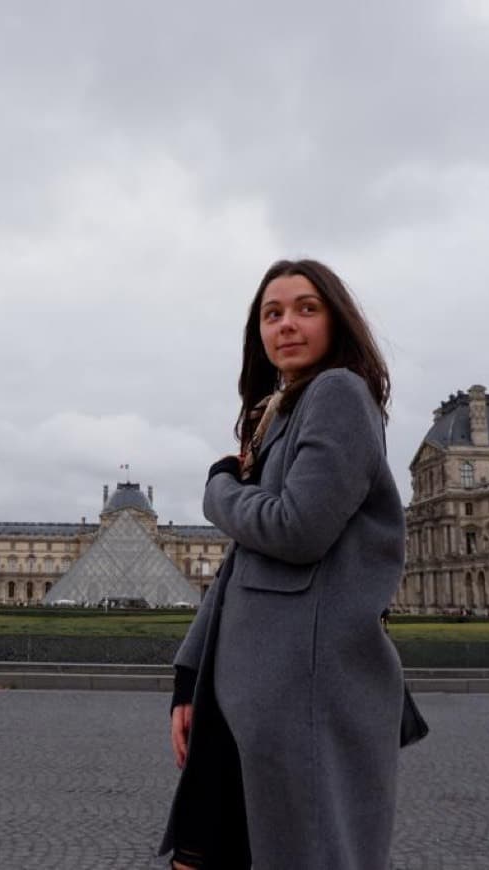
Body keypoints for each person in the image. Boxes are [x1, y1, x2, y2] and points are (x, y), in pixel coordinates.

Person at [160, 259, 406, 869]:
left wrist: (218, 490)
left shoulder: (339, 392)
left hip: (294, 683)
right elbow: (240, 567)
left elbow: (298, 531)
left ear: (337, 321)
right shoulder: (280, 416)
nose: (287, 324)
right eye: (272, 314)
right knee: (203, 853)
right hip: (245, 683)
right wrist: (190, 676)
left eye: (306, 308)